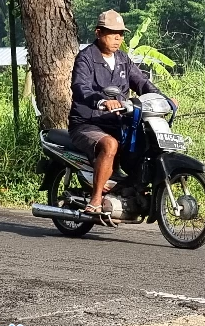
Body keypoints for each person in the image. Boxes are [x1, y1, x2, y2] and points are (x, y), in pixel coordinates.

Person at [68, 9, 175, 214]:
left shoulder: (123, 60)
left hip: (118, 124)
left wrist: (163, 99)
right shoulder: (86, 58)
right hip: (87, 123)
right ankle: (96, 199)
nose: (118, 38)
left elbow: (142, 83)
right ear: (99, 32)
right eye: (112, 32)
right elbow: (80, 88)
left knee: (146, 143)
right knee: (110, 144)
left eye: (121, 33)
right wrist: (101, 101)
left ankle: (134, 189)